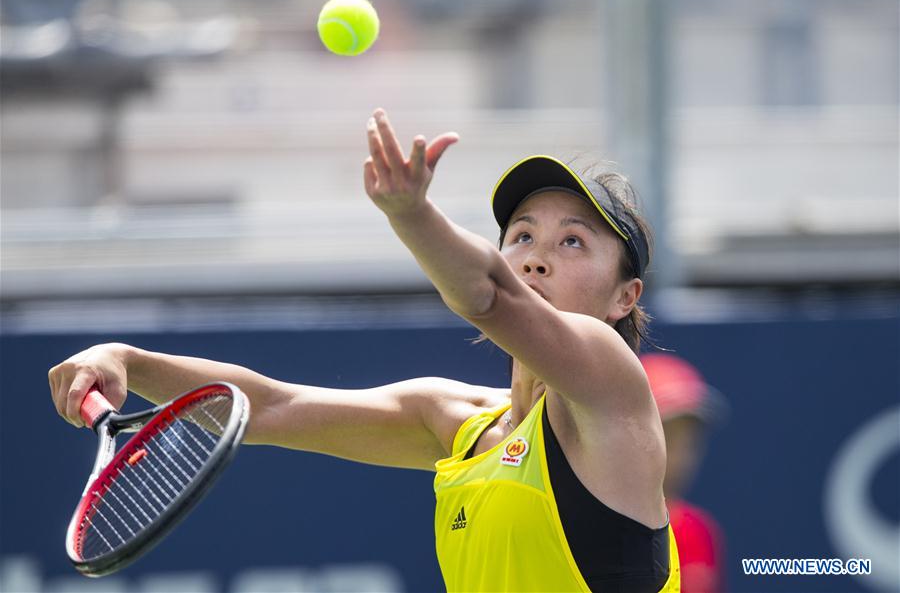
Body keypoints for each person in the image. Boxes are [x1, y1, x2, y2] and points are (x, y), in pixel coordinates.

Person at [50, 108, 680, 592]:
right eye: (522, 235)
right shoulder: (454, 422)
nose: (537, 256)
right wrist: (127, 359)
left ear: (624, 297)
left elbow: (489, 296)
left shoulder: (610, 388)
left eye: (573, 243)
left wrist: (411, 214)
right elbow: (266, 407)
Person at [640, 353, 727, 593]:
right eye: (668, 437)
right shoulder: (601, 524)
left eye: (691, 441)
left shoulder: (698, 530)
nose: (682, 456)